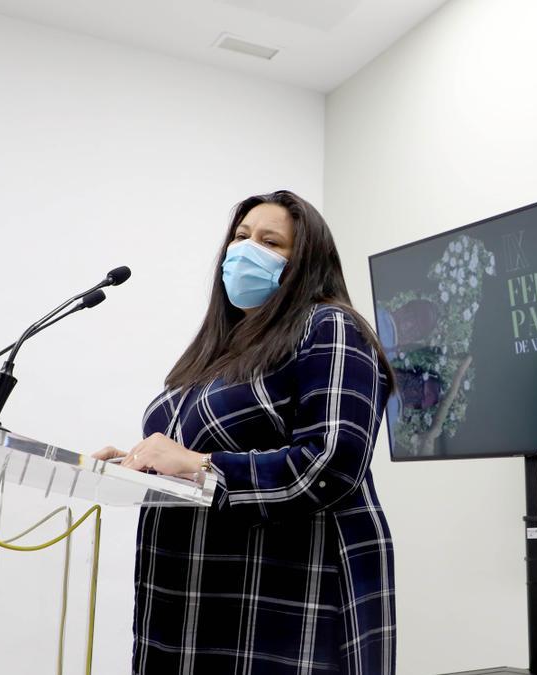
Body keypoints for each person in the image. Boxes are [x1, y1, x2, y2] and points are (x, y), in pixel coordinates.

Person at [95, 190, 396, 675]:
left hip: (281, 608)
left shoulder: (330, 327)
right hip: (190, 611)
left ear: (305, 262)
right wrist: (139, 468)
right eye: (240, 236)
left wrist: (199, 464)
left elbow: (330, 464)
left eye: (269, 241)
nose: (245, 249)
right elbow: (191, 460)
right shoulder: (217, 352)